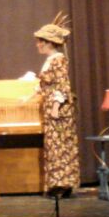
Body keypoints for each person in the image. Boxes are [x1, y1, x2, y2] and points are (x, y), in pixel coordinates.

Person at [33, 13, 80, 197]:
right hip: (53, 107)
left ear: (49, 43)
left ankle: (63, 185)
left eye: (40, 42)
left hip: (58, 111)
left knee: (61, 146)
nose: (37, 45)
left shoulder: (58, 59)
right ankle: (59, 185)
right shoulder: (51, 60)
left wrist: (54, 107)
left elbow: (62, 84)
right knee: (55, 146)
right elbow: (48, 84)